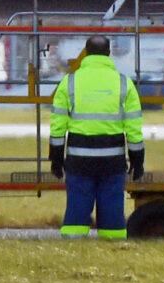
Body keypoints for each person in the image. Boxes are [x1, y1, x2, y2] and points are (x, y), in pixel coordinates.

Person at [48, 33, 146, 239]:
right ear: (109, 54)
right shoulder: (124, 83)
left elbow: (58, 126)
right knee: (112, 208)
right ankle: (113, 247)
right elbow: (134, 129)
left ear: (86, 53)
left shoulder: (69, 82)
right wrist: (138, 160)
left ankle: (72, 248)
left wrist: (56, 159)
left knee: (77, 206)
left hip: (78, 160)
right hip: (113, 161)